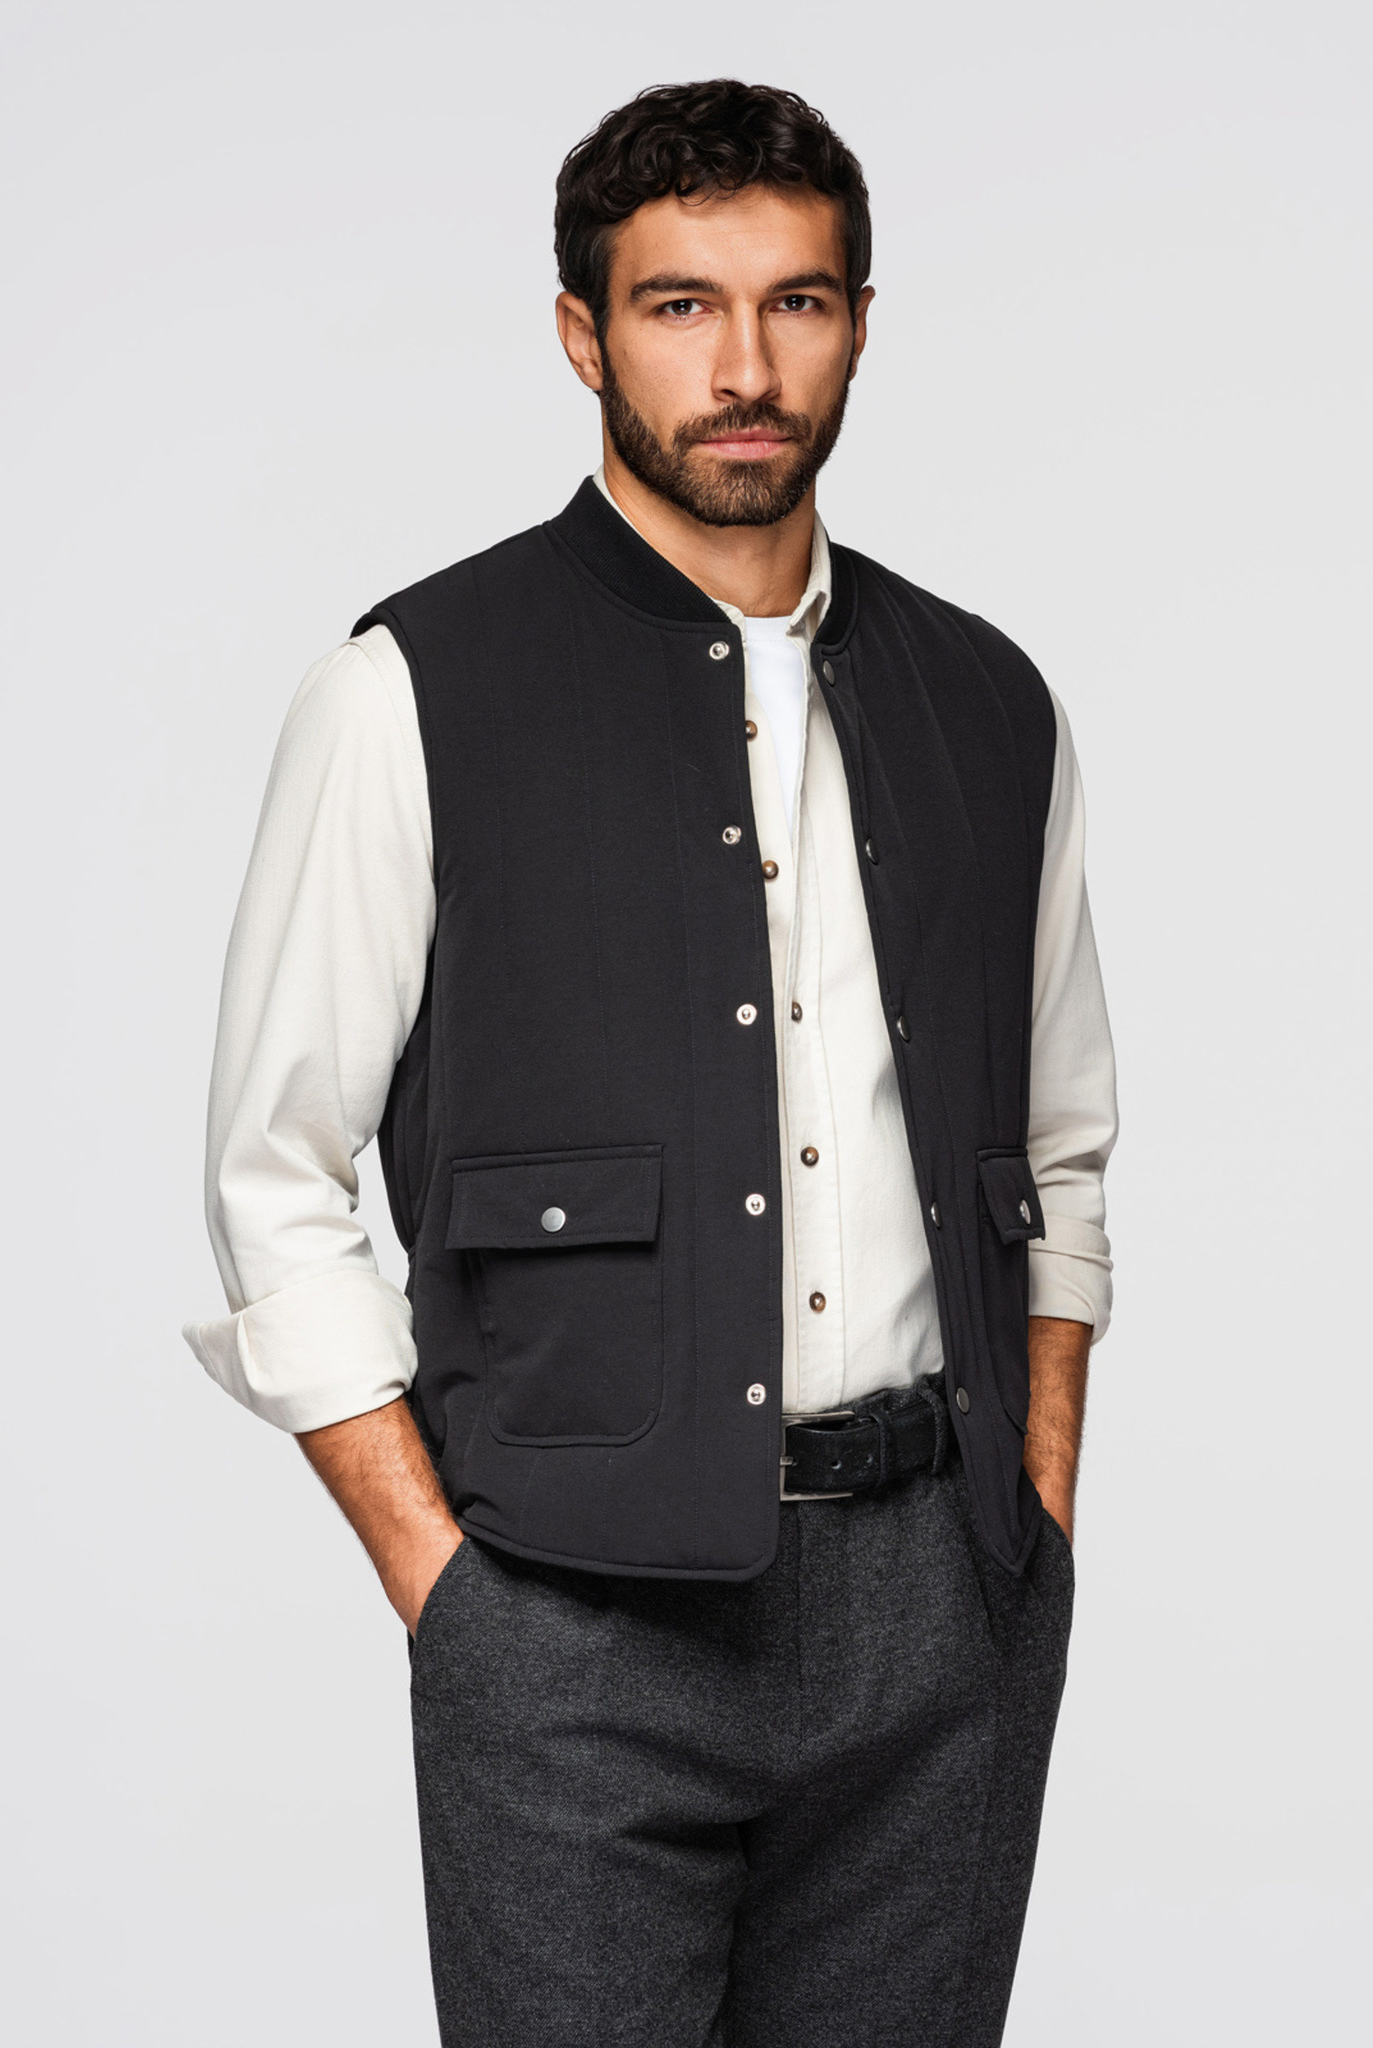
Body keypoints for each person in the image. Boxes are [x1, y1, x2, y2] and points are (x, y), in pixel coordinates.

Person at [184, 77, 1117, 2048]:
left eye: (798, 303)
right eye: (682, 306)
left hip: (939, 1611)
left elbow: (1059, 1153)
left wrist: (1030, 1518)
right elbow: (275, 1175)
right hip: (574, 1624)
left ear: (861, 322)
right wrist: (453, 1594)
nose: (747, 368)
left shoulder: (988, 700)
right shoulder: (411, 689)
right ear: (582, 334)